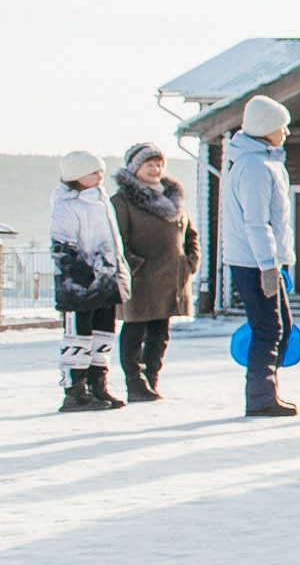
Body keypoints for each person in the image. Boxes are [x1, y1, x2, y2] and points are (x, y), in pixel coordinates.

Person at [222, 96, 298, 419]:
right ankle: (260, 396)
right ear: (267, 129)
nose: (287, 132)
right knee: (268, 328)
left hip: (266, 261)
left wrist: (281, 260)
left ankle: (268, 389)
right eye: (282, 126)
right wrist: (269, 266)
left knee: (282, 326)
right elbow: (257, 222)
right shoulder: (254, 167)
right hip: (254, 262)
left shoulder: (266, 163)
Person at [109, 141, 198, 402]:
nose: (155, 169)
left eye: (159, 164)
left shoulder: (172, 199)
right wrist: (135, 267)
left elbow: (190, 235)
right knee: (135, 332)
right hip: (141, 280)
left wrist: (189, 262)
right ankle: (135, 385)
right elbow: (118, 241)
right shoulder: (122, 202)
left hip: (171, 279)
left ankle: (151, 381)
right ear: (135, 168)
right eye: (149, 164)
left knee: (160, 334)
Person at [52, 149, 131, 412]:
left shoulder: (101, 201)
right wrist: (83, 273)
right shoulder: (67, 206)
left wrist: (117, 272)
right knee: (78, 336)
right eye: (93, 172)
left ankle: (98, 384)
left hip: (106, 282)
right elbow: (62, 247)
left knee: (103, 334)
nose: (100, 177)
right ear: (76, 176)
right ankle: (75, 389)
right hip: (80, 288)